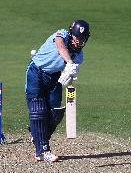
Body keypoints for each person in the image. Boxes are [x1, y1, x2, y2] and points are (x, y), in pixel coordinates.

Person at [25, 20, 91, 162]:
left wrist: (69, 75)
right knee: (38, 110)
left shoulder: (79, 56)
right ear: (71, 34)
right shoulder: (62, 34)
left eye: (83, 39)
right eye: (77, 37)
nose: (79, 41)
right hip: (36, 71)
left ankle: (37, 135)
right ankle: (42, 151)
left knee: (56, 113)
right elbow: (61, 47)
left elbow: (67, 74)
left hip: (54, 77)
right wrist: (69, 63)